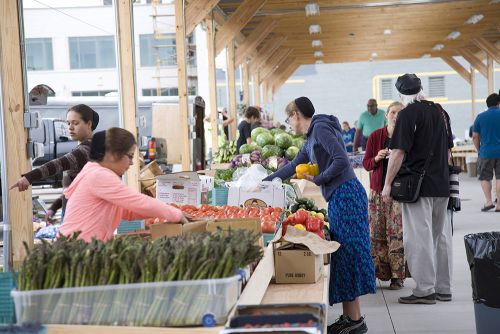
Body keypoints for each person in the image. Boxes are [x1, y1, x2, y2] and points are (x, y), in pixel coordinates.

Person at [264, 97, 375, 334]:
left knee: (349, 253)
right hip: (339, 196)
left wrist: (319, 179)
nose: (289, 124)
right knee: (344, 254)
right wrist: (262, 182)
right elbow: (293, 166)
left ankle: (356, 321)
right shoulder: (311, 137)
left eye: (289, 119)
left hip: (347, 195)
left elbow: (341, 160)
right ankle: (350, 317)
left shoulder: (321, 129)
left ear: (296, 114)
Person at [382, 73, 454, 305]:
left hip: (417, 187)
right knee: (441, 236)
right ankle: (444, 288)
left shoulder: (407, 114)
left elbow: (398, 153)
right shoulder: (441, 112)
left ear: (401, 94)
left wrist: (387, 184)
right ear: (421, 88)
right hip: (441, 184)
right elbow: (447, 151)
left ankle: (424, 290)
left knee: (418, 237)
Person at [59, 128, 187, 242]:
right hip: (76, 248)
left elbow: (127, 212)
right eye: (130, 156)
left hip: (81, 247)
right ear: (114, 155)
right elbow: (138, 202)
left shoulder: (96, 172)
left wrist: (161, 213)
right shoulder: (99, 175)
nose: (131, 163)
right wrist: (175, 213)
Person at [10, 104, 99, 223]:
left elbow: (58, 164)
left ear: (89, 124)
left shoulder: (85, 151)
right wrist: (55, 207)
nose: (70, 128)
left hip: (81, 216)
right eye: (68, 123)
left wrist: (29, 177)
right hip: (76, 213)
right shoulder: (88, 148)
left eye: (75, 123)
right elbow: (73, 188)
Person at [363, 101, 405, 289]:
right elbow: (366, 164)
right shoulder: (375, 137)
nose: (396, 115)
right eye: (393, 112)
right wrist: (377, 158)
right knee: (376, 233)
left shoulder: (408, 137)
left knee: (396, 234)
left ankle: (398, 276)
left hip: (398, 193)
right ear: (386, 115)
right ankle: (380, 273)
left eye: (399, 113)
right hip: (376, 192)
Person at [472, 93, 500, 212]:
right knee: (499, 178)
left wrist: (479, 149)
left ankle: (488, 202)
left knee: (485, 177)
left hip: (486, 152)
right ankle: (499, 205)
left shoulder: (480, 117)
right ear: (498, 103)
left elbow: (475, 136)